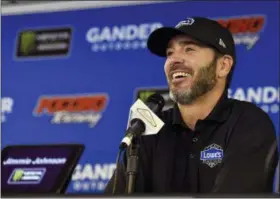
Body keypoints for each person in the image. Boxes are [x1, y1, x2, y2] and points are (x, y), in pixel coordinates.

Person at [104, 16, 278, 194]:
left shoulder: (248, 123)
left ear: (223, 66)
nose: (174, 60)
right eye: (170, 53)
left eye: (189, 49)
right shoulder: (149, 129)